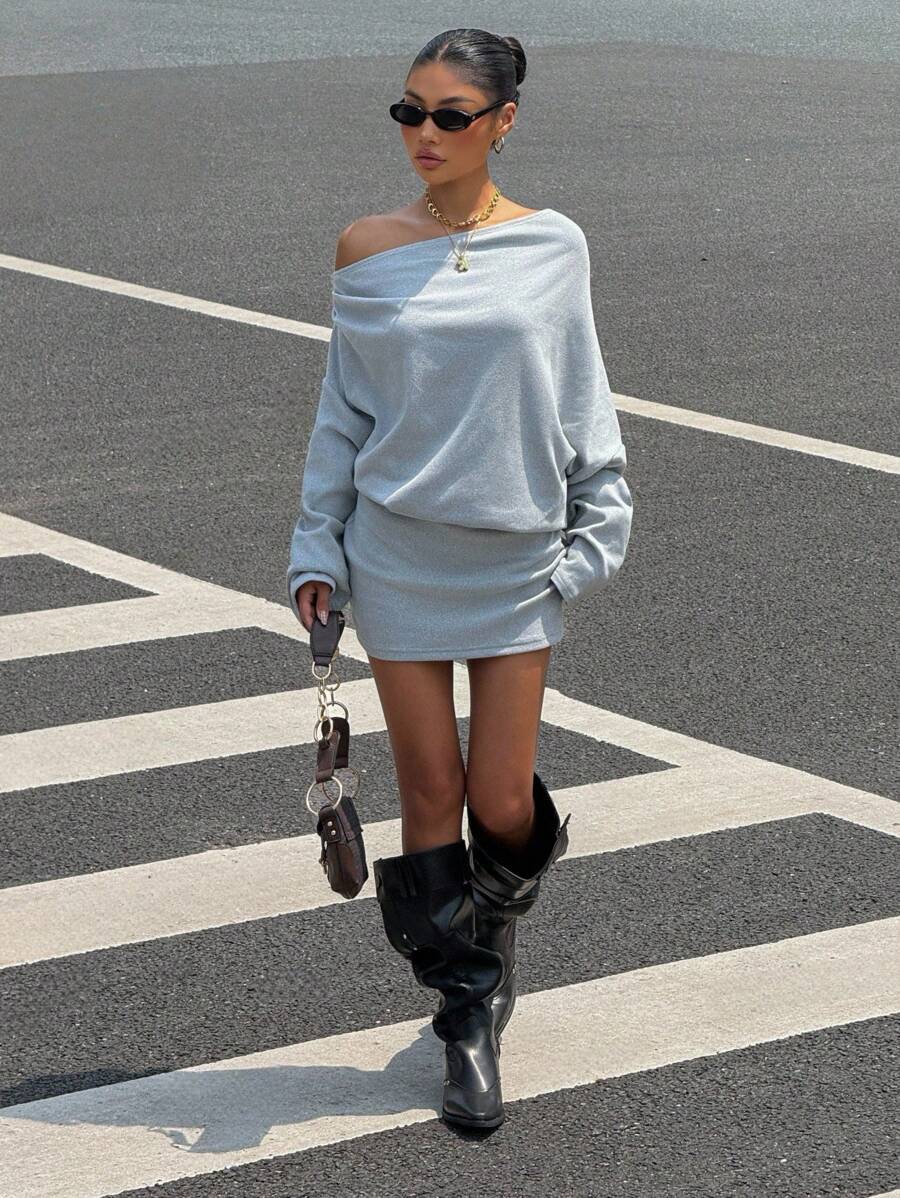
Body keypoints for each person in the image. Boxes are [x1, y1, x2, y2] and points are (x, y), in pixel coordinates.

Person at [286, 28, 633, 1131]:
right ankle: (466, 1014)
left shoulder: (555, 245)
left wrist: (596, 527)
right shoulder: (364, 248)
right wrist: (316, 549)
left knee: (502, 802)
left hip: (516, 560)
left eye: (449, 115)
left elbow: (581, 391)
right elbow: (344, 414)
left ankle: (491, 921)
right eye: (409, 111)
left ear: (503, 121)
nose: (423, 134)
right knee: (431, 792)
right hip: (396, 559)